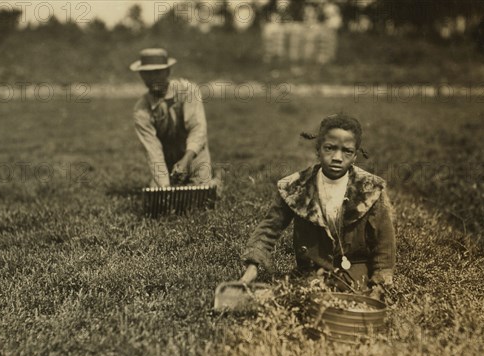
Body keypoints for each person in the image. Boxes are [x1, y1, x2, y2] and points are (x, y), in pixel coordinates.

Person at [240, 114, 396, 299]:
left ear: (355, 156)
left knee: (353, 310)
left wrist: (379, 286)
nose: (337, 157)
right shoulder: (297, 187)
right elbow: (269, 227)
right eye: (330, 148)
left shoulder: (370, 189)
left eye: (346, 151)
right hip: (312, 275)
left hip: (357, 278)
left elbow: (384, 243)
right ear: (318, 150)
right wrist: (252, 265)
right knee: (277, 298)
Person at [131, 48, 213, 187]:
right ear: (141, 75)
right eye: (147, 74)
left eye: (157, 72)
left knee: (202, 193)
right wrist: (165, 187)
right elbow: (153, 151)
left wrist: (186, 161)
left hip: (194, 155)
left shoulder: (188, 91)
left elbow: (198, 129)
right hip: (166, 160)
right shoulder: (141, 110)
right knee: (160, 198)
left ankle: (212, 179)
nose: (153, 78)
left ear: (168, 71)